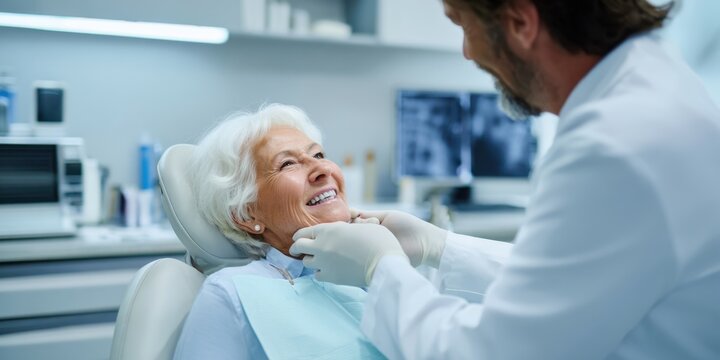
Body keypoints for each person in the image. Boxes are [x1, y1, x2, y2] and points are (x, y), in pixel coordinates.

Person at [290, 0, 720, 359]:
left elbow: (492, 352)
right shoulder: (653, 79)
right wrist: (441, 247)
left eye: (462, 25)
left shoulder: (613, 144)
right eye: (285, 163)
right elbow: (574, 277)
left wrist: (381, 269)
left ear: (520, 22)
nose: (466, 53)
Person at [173, 104, 384, 359]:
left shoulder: (371, 271)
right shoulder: (230, 294)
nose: (323, 170)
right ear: (246, 215)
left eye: (318, 155)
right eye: (287, 164)